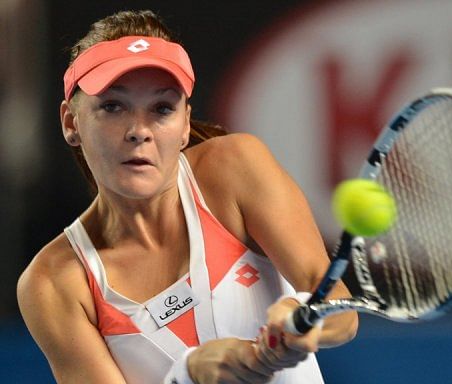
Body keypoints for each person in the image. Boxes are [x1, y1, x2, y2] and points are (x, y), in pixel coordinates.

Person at [17, 10, 358, 384]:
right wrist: (189, 374)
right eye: (113, 106)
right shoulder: (54, 282)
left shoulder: (235, 168)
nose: (139, 131)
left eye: (162, 109)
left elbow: (339, 307)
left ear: (183, 126)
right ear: (71, 122)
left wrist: (302, 318)